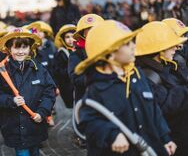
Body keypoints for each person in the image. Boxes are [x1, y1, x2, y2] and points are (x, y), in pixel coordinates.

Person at [75, 20, 176, 155]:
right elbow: (89, 123)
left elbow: (153, 110)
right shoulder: (97, 87)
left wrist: (165, 138)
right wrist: (113, 134)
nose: (134, 46)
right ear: (110, 54)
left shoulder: (137, 74)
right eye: (127, 44)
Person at [0, 27, 56, 156]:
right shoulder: (2, 70)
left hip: (35, 125)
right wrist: (11, 100)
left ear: (30, 48)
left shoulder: (38, 68)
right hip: (14, 126)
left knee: (35, 152)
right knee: (22, 153)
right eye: (16, 48)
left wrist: (42, 112)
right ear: (9, 49)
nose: (20, 51)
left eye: (24, 47)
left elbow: (49, 92)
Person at [135, 21, 188, 156]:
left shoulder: (164, 65)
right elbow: (163, 107)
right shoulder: (145, 76)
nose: (176, 48)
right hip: (173, 142)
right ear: (158, 49)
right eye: (171, 45)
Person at [68, 14, 105, 147]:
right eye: (88, 29)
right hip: (86, 99)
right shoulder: (76, 54)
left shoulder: (108, 50)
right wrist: (98, 77)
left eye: (96, 28)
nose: (93, 32)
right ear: (83, 33)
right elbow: (75, 77)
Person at [53, 24, 76, 108]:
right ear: (63, 39)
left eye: (73, 36)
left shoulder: (78, 50)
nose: (70, 39)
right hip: (68, 85)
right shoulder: (61, 53)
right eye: (67, 37)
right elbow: (58, 71)